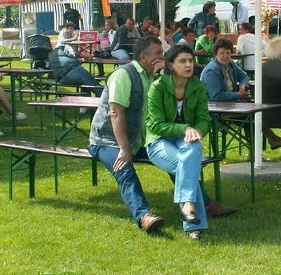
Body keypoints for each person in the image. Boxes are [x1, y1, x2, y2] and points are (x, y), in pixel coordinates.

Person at [88, 36, 235, 234]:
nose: (162, 56)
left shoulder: (155, 78)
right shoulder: (123, 75)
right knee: (125, 169)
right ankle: (144, 216)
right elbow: (115, 113)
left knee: (181, 158)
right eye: (158, 53)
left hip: (140, 139)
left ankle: (200, 206)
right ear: (143, 57)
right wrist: (123, 148)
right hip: (108, 141)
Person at [145, 44, 210, 240]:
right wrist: (184, 128)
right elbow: (155, 125)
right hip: (158, 140)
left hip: (185, 139)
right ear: (171, 65)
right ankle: (193, 224)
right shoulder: (158, 87)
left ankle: (190, 211)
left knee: (191, 152)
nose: (188, 65)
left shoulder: (197, 86)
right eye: (182, 61)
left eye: (190, 60)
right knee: (188, 165)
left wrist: (197, 131)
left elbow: (204, 119)